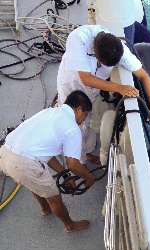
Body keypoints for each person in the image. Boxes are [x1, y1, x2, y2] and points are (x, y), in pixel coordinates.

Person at [57, 24, 150, 164]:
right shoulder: (78, 38)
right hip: (71, 85)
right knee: (72, 123)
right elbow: (85, 78)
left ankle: (86, 151)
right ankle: (76, 158)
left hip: (92, 91)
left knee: (86, 120)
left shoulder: (118, 48)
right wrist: (119, 87)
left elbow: (144, 76)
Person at [0, 90, 95, 233]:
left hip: (5, 153)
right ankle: (70, 225)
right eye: (85, 115)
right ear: (79, 109)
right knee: (55, 197)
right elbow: (73, 164)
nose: (83, 120)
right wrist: (89, 177)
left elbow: (47, 154)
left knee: (34, 182)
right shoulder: (71, 128)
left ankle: (45, 209)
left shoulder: (49, 112)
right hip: (24, 164)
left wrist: (65, 174)